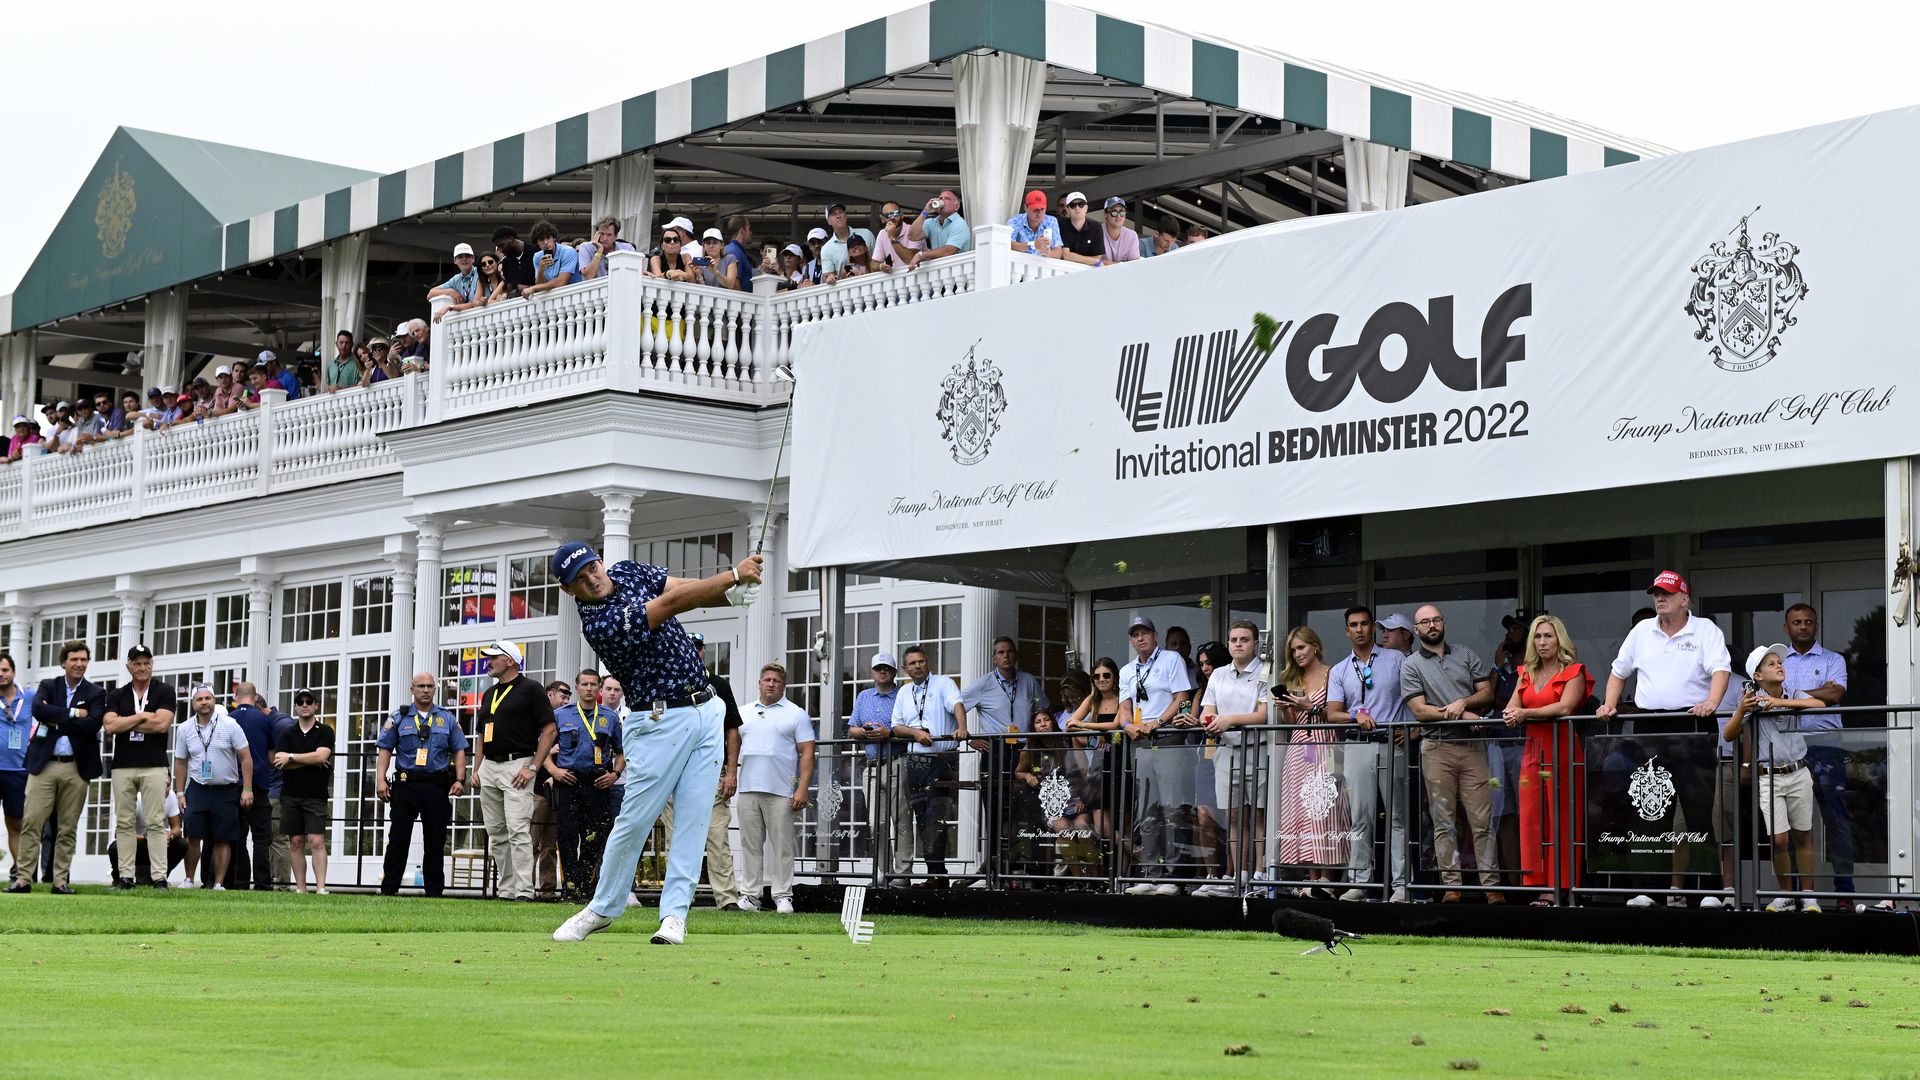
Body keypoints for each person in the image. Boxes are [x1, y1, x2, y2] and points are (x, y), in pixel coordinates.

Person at [547, 541, 765, 946]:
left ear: (599, 561)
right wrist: (733, 578)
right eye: (579, 579)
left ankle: (674, 916)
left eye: (592, 567)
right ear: (568, 590)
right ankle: (601, 908)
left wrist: (730, 594)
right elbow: (671, 604)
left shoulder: (628, 571)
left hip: (707, 711)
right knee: (635, 820)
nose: (592, 579)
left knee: (694, 820)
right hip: (657, 721)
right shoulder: (599, 623)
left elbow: (684, 586)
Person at [1597, 571, 1732, 908]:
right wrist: (1609, 703)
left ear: (1685, 599)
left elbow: (1721, 671)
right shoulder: (1642, 631)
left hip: (1694, 723)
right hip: (1650, 727)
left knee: (1698, 812)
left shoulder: (1705, 630)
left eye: (1667, 594)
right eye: (1656, 594)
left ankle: (1708, 893)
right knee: (1649, 813)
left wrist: (1712, 704)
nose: (1660, 599)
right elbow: (1618, 671)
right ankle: (1648, 891)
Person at [1401, 604, 1500, 903]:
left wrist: (1463, 704)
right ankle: (1452, 888)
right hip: (1437, 747)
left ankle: (1493, 888)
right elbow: (1419, 711)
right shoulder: (1411, 664)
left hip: (1472, 749)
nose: (1431, 625)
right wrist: (1463, 714)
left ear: (1443, 623)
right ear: (1416, 630)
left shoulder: (1466, 654)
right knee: (1443, 821)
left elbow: (1487, 694)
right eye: (1424, 622)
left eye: (1435, 620)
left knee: (1482, 820)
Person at [1725, 643, 1830, 912]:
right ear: (1757, 676)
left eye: (1779, 662)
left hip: (1798, 771)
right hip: (1768, 777)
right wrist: (1742, 710)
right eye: (1771, 664)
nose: (1779, 666)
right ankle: (1785, 895)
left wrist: (1779, 702)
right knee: (1779, 839)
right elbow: (1729, 734)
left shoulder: (1792, 693)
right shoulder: (1753, 699)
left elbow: (1819, 703)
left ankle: (1808, 896)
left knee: (1803, 835)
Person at [1501, 615, 1590, 906]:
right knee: (1531, 818)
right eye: (1537, 637)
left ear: (1559, 639)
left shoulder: (1573, 671)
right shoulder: (1526, 672)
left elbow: (1565, 706)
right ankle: (1537, 882)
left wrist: (1524, 714)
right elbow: (1512, 705)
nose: (1542, 642)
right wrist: (1513, 713)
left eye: (1548, 636)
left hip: (1561, 748)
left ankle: (1558, 885)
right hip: (1532, 750)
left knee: (1561, 818)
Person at [1325, 607, 1412, 902]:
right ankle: (1360, 882)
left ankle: (1401, 885)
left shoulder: (1396, 659)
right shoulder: (1339, 669)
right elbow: (1332, 713)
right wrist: (1354, 716)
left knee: (1397, 816)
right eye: (1353, 625)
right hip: (1358, 744)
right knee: (1360, 816)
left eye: (1364, 624)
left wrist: (1413, 730)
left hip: (1391, 743)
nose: (1360, 629)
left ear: (1373, 628)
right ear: (1347, 631)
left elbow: (1414, 696)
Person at [11, 640, 105, 893]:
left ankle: (60, 881)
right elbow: (39, 711)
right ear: (64, 662)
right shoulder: (48, 685)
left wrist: (58, 717)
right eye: (75, 659)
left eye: (84, 659)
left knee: (67, 827)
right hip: (44, 766)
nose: (80, 664)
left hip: (76, 767)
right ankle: (23, 879)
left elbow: (93, 724)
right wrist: (74, 714)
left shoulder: (96, 692)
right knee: (32, 822)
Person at [469, 639, 557, 901]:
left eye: (494, 657)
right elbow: (481, 735)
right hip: (490, 767)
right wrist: (477, 769)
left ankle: (524, 891)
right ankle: (506, 890)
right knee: (496, 832)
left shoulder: (531, 689)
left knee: (518, 830)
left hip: (518, 764)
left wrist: (533, 767)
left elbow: (549, 730)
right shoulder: (489, 693)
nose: (489, 661)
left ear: (510, 660)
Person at [1780, 604, 1854, 907]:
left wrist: (1794, 696)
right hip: (1787, 744)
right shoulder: (1777, 661)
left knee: (1836, 819)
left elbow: (1836, 694)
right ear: (1786, 628)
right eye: (1796, 622)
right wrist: (1816, 693)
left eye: (1808, 622)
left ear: (1817, 625)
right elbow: (1770, 695)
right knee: (1792, 825)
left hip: (1826, 745)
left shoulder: (1833, 659)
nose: (1803, 626)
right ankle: (1796, 894)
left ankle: (1845, 892)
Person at [1116, 616, 1193, 895]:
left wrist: (1158, 722)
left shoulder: (1171, 659)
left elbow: (1182, 696)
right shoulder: (1127, 670)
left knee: (1171, 807)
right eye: (1135, 634)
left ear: (1155, 635)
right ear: (1131, 640)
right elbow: (1124, 708)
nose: (1140, 638)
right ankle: (1149, 874)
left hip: (1167, 736)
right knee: (1147, 808)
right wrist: (1128, 725)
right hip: (1141, 741)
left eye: (1145, 632)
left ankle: (1172, 876)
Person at [373, 672, 467, 896]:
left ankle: (434, 893)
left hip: (436, 786)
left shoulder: (447, 718)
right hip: (406, 785)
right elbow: (385, 749)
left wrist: (460, 779)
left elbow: (459, 749)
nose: (426, 690)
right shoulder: (399, 717)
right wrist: (380, 779)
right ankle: (389, 890)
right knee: (398, 839)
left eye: (430, 686)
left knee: (435, 841)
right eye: (421, 686)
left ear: (435, 689)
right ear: (412, 688)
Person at [960, 636, 1045, 871]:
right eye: (1000, 652)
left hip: (1024, 750)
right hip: (995, 750)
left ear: (1015, 655)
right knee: (996, 809)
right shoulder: (983, 684)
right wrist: (970, 738)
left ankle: (1025, 864)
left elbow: (1042, 711)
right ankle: (995, 863)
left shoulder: (1028, 681)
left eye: (1010, 651)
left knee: (1027, 808)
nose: (1006, 656)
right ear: (994, 658)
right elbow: (954, 708)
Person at [1275, 627, 1349, 895]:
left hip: (1326, 746)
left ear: (1315, 646)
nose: (1297, 654)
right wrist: (1286, 709)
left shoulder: (1334, 673)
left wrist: (1310, 707)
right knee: (1303, 812)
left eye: (1301, 648)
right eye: (1293, 650)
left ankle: (1327, 878)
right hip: (1299, 749)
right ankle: (1311, 877)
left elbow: (1335, 712)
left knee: (1325, 809)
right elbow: (1293, 724)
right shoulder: (1293, 679)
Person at [736, 663, 814, 913]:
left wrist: (802, 789)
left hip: (781, 790)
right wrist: (729, 776)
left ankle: (782, 895)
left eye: (776, 681)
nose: (771, 684)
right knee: (750, 845)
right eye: (767, 680)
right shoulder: (743, 712)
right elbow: (731, 748)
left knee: (782, 846)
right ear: (759, 683)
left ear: (784, 686)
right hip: (748, 788)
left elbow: (807, 753)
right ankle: (750, 894)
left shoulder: (796, 714)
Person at [1200, 623, 1271, 899]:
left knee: (1259, 813)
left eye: (1244, 639)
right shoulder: (1218, 674)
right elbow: (1209, 711)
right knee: (1233, 814)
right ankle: (1239, 877)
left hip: (1258, 748)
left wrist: (1229, 720)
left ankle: (1261, 875)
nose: (1238, 644)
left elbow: (1264, 715)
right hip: (1226, 752)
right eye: (1233, 639)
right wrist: (1208, 721)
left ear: (1255, 643)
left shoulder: (1265, 671)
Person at [545, 669, 623, 903]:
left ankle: (586, 889)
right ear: (577, 688)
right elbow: (541, 751)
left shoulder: (609, 717)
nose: (589, 689)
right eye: (584, 684)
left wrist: (615, 774)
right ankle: (570, 889)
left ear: (599, 689)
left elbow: (621, 753)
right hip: (569, 781)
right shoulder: (560, 715)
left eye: (593, 685)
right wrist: (554, 771)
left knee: (595, 837)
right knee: (567, 837)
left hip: (598, 783)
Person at [102, 644, 176, 889]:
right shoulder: (116, 695)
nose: (142, 667)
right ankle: (125, 876)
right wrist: (143, 716)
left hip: (154, 765)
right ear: (129, 667)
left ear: (152, 665)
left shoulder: (164, 691)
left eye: (146, 663)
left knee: (155, 821)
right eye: (137, 663)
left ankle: (159, 878)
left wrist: (127, 721)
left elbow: (162, 725)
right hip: (123, 766)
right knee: (124, 821)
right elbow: (110, 727)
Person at [893, 643, 966, 888]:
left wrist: (962, 727)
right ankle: (935, 874)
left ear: (929, 663)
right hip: (915, 762)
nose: (917, 666)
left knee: (937, 818)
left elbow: (957, 704)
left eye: (921, 661)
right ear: (905, 668)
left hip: (940, 760)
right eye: (912, 663)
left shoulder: (943, 683)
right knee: (922, 819)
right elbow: (896, 727)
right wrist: (914, 733)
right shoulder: (903, 692)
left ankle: (938, 875)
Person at [171, 684, 254, 890]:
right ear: (193, 704)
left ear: (214, 700)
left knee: (222, 838)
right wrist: (180, 792)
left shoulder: (230, 724)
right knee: (193, 836)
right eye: (200, 699)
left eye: (208, 698)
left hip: (226, 789)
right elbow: (181, 761)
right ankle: (189, 879)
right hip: (198, 788)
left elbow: (245, 758)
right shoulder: (185, 729)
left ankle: (218, 882)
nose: (204, 702)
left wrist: (248, 789)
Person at [690, 634, 744, 911]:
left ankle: (727, 899)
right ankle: (679, 900)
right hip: (678, 773)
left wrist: (731, 772)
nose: (693, 651)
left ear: (703, 651)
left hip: (713, 770)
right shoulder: (668, 682)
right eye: (688, 647)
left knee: (718, 837)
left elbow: (732, 730)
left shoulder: (719, 685)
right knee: (680, 841)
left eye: (698, 647)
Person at [849, 652, 909, 885]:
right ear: (872, 672)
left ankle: (902, 875)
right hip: (872, 766)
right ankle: (884, 872)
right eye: (878, 668)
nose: (882, 672)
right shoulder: (864, 696)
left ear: (894, 672)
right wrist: (866, 732)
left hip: (897, 762)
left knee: (901, 820)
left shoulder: (903, 694)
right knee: (877, 823)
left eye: (887, 668)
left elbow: (910, 727)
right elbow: (852, 728)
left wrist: (889, 733)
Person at [228, 683, 291, 890]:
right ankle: (263, 883)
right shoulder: (265, 721)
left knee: (237, 837)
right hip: (260, 785)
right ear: (255, 698)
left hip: (233, 784)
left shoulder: (229, 719)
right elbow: (272, 757)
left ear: (236, 696)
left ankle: (240, 882)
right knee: (261, 839)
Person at [272, 688, 335, 894]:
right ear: (296, 707)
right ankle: (301, 888)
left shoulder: (324, 731)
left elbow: (322, 756)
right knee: (296, 842)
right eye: (301, 702)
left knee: (316, 841)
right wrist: (307, 760)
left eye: (309, 701)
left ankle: (321, 888)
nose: (305, 704)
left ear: (316, 705)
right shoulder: (287, 732)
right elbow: (280, 761)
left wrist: (292, 757)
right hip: (290, 795)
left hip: (315, 794)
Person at [1065, 658, 1123, 842]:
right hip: (1100, 762)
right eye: (1096, 676)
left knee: (1125, 825)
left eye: (1107, 675)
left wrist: (1089, 726)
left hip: (1121, 759)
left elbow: (1116, 724)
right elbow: (1070, 726)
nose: (1101, 679)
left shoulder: (1123, 697)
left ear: (1115, 677)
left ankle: (1126, 865)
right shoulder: (1093, 699)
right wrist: (1092, 735)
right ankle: (1135, 854)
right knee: (1102, 828)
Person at [0, 653, 34, 875]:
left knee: (16, 824)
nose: (1, 675)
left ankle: (21, 873)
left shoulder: (30, 697)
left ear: (13, 672)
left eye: (5, 670)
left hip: (19, 770)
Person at [520, 220, 579, 299]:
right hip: (556, 300)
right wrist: (541, 270)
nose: (546, 242)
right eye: (541, 240)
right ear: (537, 242)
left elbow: (561, 282)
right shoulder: (537, 257)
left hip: (575, 296)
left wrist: (533, 288)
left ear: (554, 238)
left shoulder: (568, 251)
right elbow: (541, 285)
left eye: (548, 238)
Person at [909, 190, 971, 259]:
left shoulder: (959, 224)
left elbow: (949, 251)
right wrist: (925, 212)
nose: (942, 200)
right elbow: (912, 236)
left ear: (956, 207)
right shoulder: (931, 222)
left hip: (957, 268)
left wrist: (921, 254)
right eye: (940, 198)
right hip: (940, 268)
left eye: (947, 198)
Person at [429, 243, 484, 320]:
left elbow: (474, 304)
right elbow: (430, 294)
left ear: (473, 258)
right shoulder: (456, 279)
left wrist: (450, 307)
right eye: (460, 256)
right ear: (455, 260)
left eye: (467, 256)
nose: (464, 259)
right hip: (468, 320)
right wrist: (449, 291)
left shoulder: (481, 272)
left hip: (482, 317)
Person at [816, 203, 872, 279]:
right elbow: (827, 276)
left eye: (840, 212)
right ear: (828, 221)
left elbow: (878, 260)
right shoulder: (826, 249)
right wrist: (830, 278)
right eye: (834, 214)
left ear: (846, 216)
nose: (838, 216)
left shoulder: (866, 234)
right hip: (845, 289)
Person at [576, 216, 636, 281]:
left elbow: (635, 272)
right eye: (601, 234)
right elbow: (588, 277)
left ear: (616, 236)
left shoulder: (627, 248)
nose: (604, 238)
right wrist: (599, 251)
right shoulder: (586, 247)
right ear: (596, 234)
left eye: (609, 235)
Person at [872, 200, 924, 271]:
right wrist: (881, 266)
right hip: (896, 280)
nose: (892, 218)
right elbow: (873, 264)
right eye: (887, 215)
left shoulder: (913, 230)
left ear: (902, 215)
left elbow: (911, 260)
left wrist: (892, 237)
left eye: (895, 214)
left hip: (917, 277)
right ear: (882, 219)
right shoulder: (882, 234)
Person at [1056, 191, 1104, 266]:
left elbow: (1097, 257)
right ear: (1068, 210)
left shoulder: (1096, 227)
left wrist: (1094, 261)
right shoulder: (1061, 225)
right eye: (1073, 205)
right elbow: (1066, 255)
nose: (1077, 208)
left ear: (1086, 208)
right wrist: (1092, 261)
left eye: (1081, 204)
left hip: (1088, 273)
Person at [1008, 190, 1061, 256]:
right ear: (1026, 207)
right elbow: (1008, 243)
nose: (1039, 213)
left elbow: (1058, 251)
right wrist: (1033, 245)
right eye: (1035, 209)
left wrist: (1048, 253)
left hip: (1043, 265)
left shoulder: (1051, 221)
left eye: (1042, 209)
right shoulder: (1015, 220)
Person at [721, 215, 756, 292]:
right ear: (742, 230)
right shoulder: (735, 252)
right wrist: (744, 303)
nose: (751, 232)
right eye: (749, 229)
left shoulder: (733, 249)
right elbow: (734, 284)